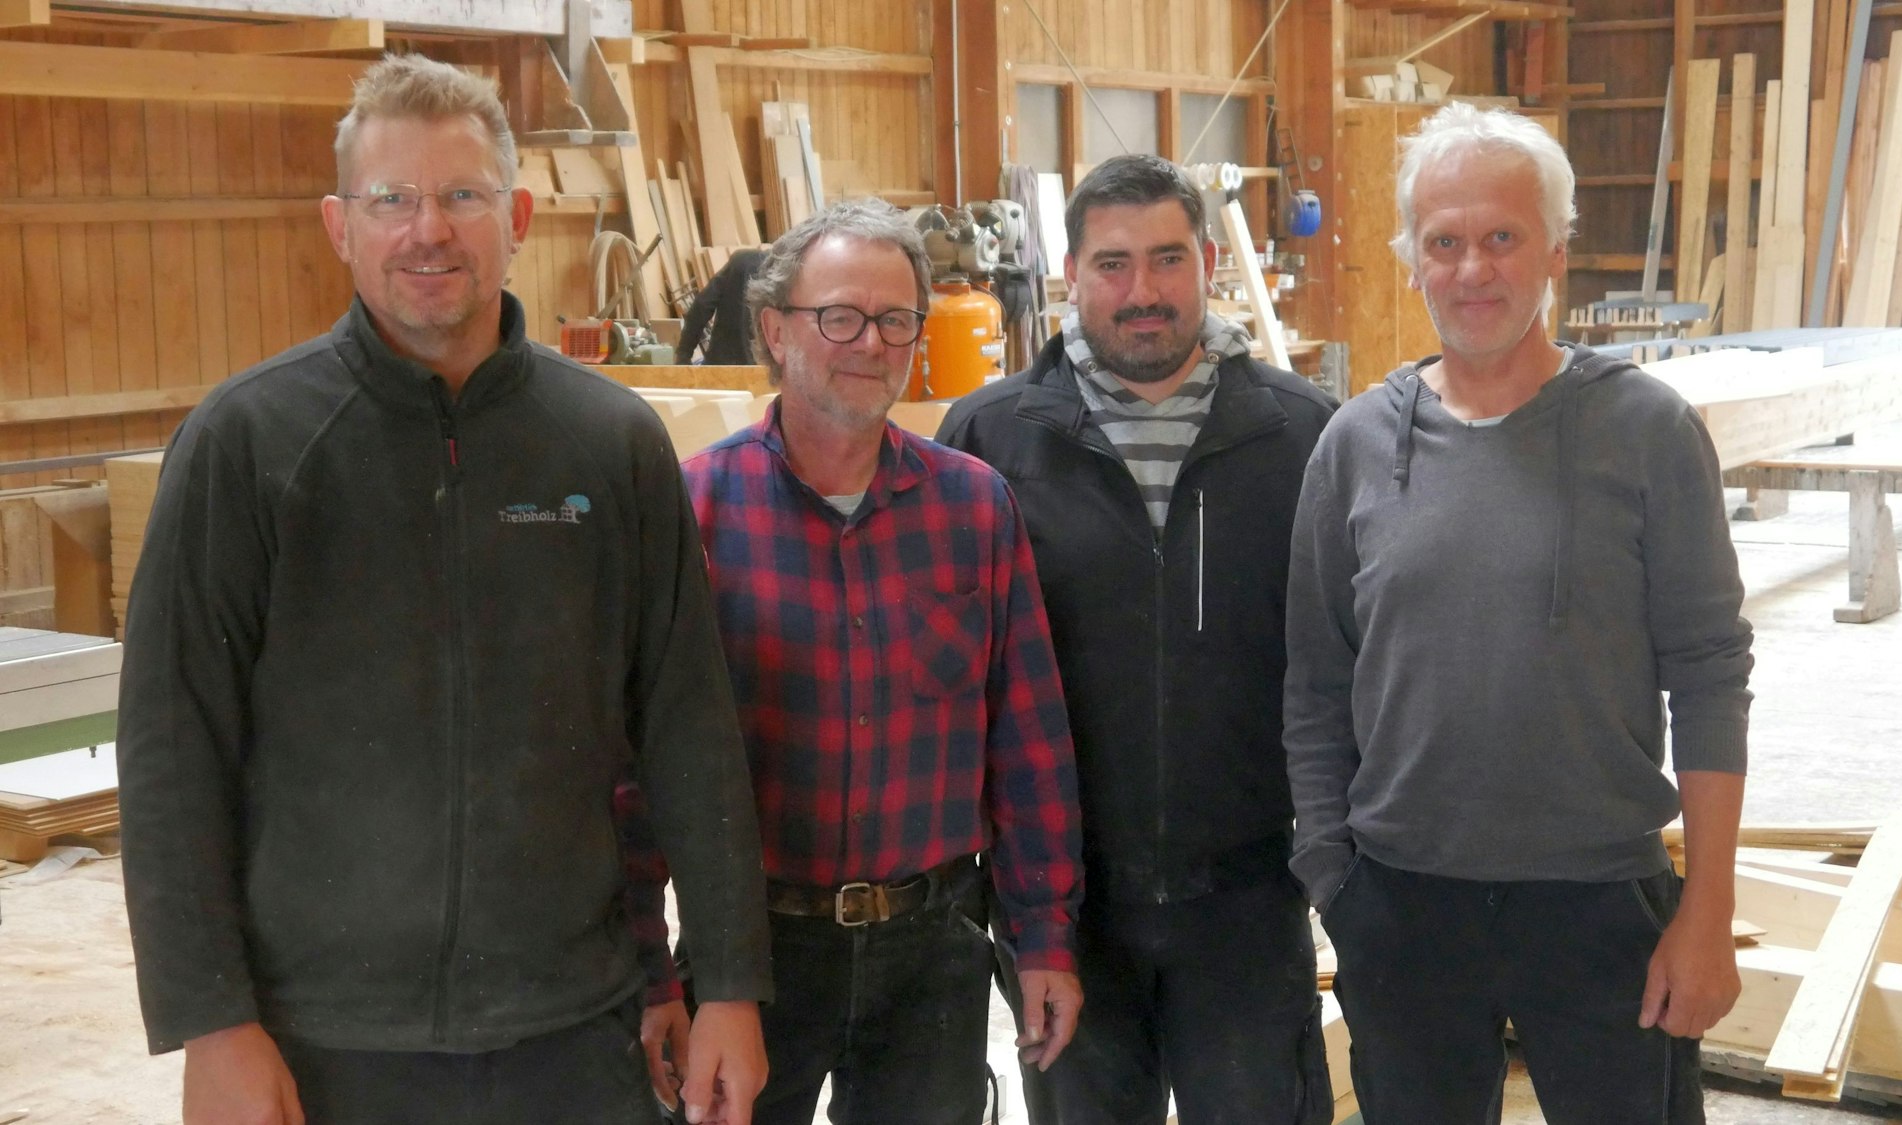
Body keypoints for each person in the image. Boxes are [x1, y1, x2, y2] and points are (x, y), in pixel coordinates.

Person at [117, 53, 770, 1125]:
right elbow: (170, 749)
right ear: (340, 225)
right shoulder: (247, 446)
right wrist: (213, 1024)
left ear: (514, 216)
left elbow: (689, 727)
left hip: (571, 1028)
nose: (429, 229)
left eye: (462, 196)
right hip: (323, 1037)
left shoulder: (608, 444)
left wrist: (730, 987)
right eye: (393, 200)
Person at [1284, 102, 1753, 1124]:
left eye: (1500, 237)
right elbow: (1315, 685)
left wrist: (1707, 909)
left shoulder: (1645, 433)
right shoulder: (1355, 444)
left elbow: (1710, 673)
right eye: (1443, 242)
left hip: (1598, 906)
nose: (1471, 269)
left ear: (1553, 248)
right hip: (1400, 906)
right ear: (1410, 256)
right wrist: (1333, 880)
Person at [937, 154, 1337, 1125]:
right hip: (1065, 913)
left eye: (1166, 260)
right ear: (1070, 273)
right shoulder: (989, 440)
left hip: (1246, 902)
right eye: (1111, 264)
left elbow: (1347, 673)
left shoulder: (1306, 437)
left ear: (1207, 261)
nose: (1142, 292)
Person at [673, 198, 1086, 1125]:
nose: (871, 341)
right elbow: (642, 763)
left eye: (897, 319)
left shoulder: (973, 508)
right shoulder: (695, 511)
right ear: (776, 330)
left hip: (931, 949)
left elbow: (1029, 742)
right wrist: (657, 974)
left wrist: (1044, 936)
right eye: (840, 316)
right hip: (753, 955)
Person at [675, 248, 768, 364]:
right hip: (761, 372)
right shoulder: (785, 275)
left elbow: (702, 306)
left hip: (721, 365)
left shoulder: (740, 262)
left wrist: (684, 354)